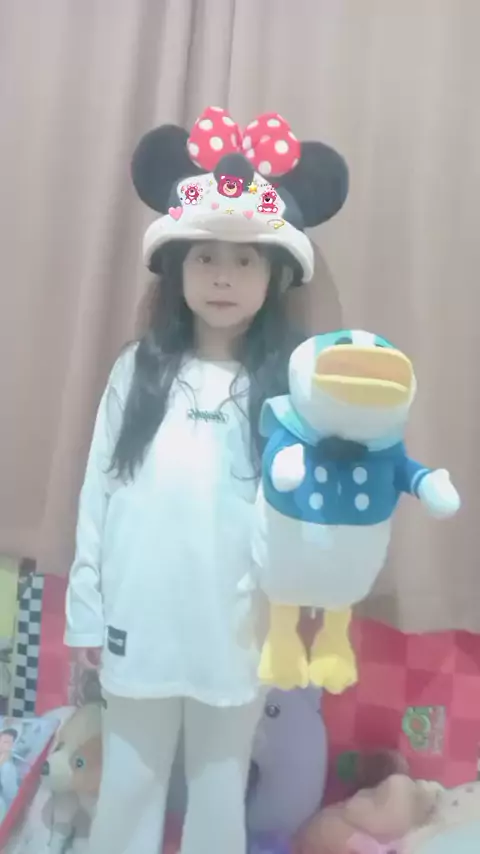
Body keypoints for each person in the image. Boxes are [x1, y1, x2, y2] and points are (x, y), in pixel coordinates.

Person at [64, 106, 348, 854]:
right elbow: (97, 495)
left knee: (220, 793)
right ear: (178, 268)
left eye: (246, 260)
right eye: (206, 257)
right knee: (130, 784)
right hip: (140, 618)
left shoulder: (290, 389)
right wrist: (87, 611)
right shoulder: (137, 372)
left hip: (234, 628)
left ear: (275, 273)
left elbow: (301, 518)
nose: (223, 276)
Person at [0, 728, 19, 823]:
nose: (8, 746)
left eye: (10, 743)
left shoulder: (8, 767)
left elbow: (11, 795)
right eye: (5, 742)